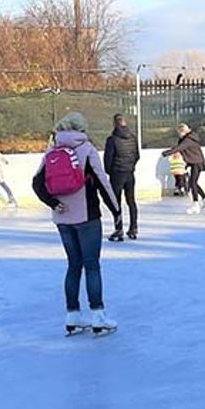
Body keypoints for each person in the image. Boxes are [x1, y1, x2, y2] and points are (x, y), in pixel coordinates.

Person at [32, 112, 120, 335]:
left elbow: (37, 183)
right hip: (87, 216)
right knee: (92, 265)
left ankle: (72, 316)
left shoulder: (52, 151)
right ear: (82, 128)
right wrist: (116, 210)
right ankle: (98, 316)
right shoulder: (87, 150)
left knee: (73, 265)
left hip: (63, 219)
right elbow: (102, 182)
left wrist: (53, 203)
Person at [103, 114, 140, 241]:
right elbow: (137, 155)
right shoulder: (133, 138)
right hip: (129, 173)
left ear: (114, 124)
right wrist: (131, 166)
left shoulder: (112, 140)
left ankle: (118, 229)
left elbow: (108, 159)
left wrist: (110, 171)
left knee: (116, 202)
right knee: (131, 201)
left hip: (117, 174)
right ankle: (133, 228)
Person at [161, 123, 205, 214]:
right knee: (193, 183)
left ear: (182, 131)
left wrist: (166, 153)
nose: (178, 135)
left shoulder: (188, 140)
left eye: (179, 133)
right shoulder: (187, 138)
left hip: (196, 163)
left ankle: (196, 205)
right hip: (194, 162)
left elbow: (179, 148)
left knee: (192, 183)